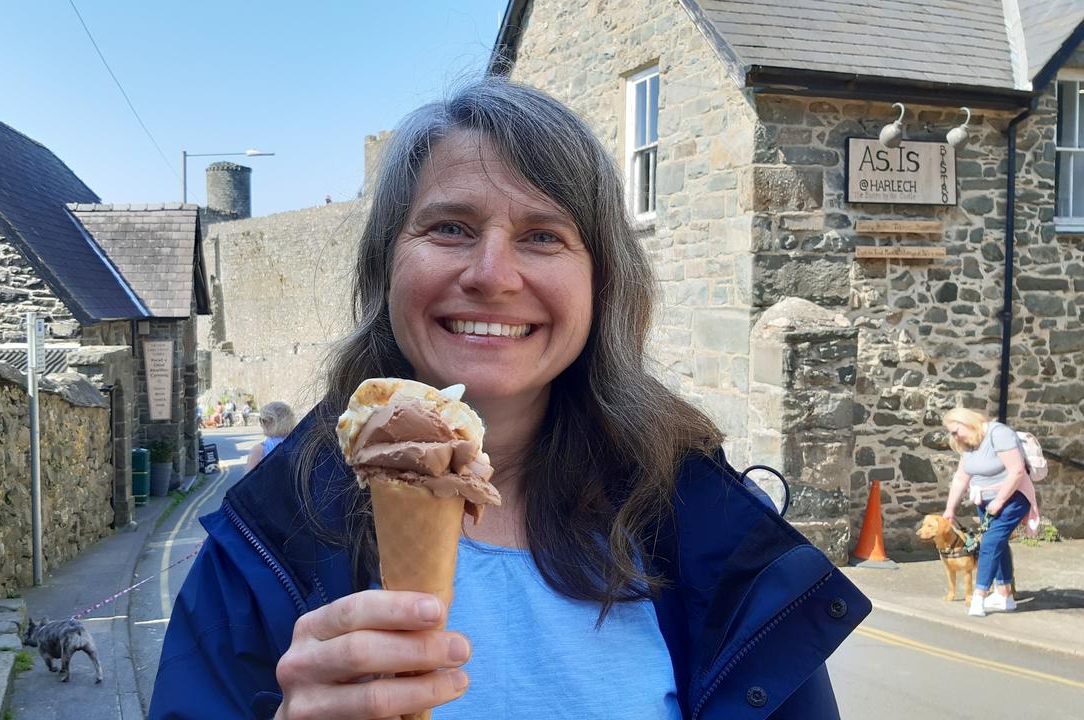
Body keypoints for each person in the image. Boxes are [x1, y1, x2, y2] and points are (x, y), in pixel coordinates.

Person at [150, 78, 867, 720]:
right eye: (450, 227)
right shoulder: (264, 543)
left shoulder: (703, 529)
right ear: (386, 267)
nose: (493, 274)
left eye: (544, 236)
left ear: (602, 285)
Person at [941, 408, 1039, 617]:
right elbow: (961, 478)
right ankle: (1005, 596)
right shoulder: (968, 444)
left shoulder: (999, 434)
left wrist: (1000, 500)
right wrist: (950, 509)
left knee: (990, 542)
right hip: (985, 500)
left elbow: (1017, 471)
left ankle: (980, 596)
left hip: (1012, 497)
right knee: (998, 542)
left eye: (955, 431)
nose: (954, 437)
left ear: (967, 422)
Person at [245, 402, 297, 473]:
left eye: (262, 420)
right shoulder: (300, 444)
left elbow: (249, 482)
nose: (261, 424)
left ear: (271, 422)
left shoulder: (259, 450)